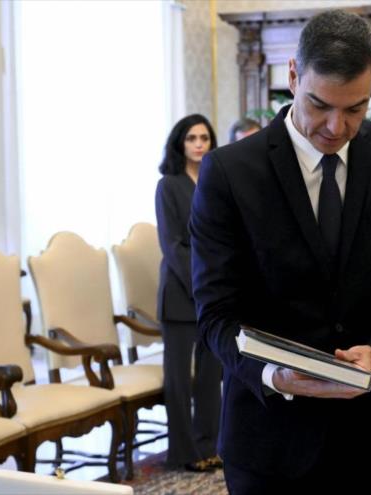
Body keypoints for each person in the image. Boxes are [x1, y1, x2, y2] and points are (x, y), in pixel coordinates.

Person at [189, 10, 371, 494]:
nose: (336, 126)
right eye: (320, 104)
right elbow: (215, 313)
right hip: (268, 439)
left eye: (356, 108)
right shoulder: (228, 172)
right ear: (292, 75)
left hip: (370, 434)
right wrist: (272, 374)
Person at [155, 113, 223, 472]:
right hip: (181, 294)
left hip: (212, 293)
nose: (199, 144)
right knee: (180, 380)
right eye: (192, 138)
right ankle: (183, 452)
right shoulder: (168, 185)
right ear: (180, 143)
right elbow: (172, 245)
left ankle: (208, 446)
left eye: (205, 138)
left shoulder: (214, 181)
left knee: (212, 376)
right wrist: (201, 285)